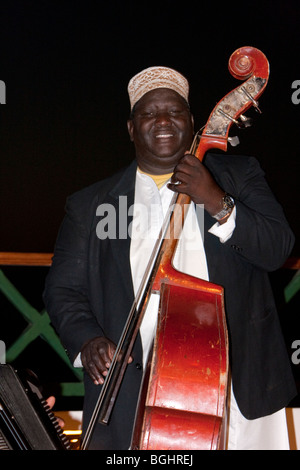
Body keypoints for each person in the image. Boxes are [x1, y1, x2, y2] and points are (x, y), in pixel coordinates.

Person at [43, 66, 297, 450]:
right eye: (149, 113)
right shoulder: (91, 205)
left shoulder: (238, 176)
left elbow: (277, 249)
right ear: (131, 128)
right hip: (134, 393)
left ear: (193, 122)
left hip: (238, 387)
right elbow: (63, 290)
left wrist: (216, 201)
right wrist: (87, 339)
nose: (162, 120)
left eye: (174, 111)